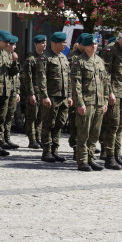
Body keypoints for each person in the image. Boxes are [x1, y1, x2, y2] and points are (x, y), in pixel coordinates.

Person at [72, 33, 111, 172]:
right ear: (85, 46)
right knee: (84, 133)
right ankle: (82, 161)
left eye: (95, 44)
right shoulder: (79, 61)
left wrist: (105, 100)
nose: (94, 46)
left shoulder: (100, 61)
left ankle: (91, 158)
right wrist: (80, 103)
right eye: (91, 44)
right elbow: (76, 85)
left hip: (99, 102)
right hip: (87, 102)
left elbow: (105, 82)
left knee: (95, 133)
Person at [99, 27, 122, 169]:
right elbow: (105, 73)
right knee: (112, 124)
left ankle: (116, 154)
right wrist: (109, 92)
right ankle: (109, 156)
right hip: (114, 94)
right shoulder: (110, 49)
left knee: (121, 125)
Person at [36, 31, 73, 163]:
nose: (65, 45)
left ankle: (55, 150)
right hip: (51, 97)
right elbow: (41, 78)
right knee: (48, 124)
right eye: (63, 43)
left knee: (59, 124)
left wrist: (69, 95)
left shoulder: (63, 58)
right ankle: (46, 151)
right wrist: (44, 96)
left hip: (62, 97)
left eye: (65, 42)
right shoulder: (45, 57)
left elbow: (68, 79)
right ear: (54, 43)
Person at [20, 35, 46, 149]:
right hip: (34, 92)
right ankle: (32, 139)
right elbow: (27, 78)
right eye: (41, 43)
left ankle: (38, 137)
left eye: (45, 42)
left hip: (43, 92)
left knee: (41, 116)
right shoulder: (30, 59)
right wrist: (31, 93)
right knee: (32, 117)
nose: (44, 44)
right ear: (35, 44)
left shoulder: (46, 58)